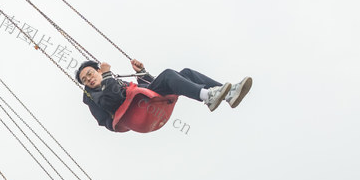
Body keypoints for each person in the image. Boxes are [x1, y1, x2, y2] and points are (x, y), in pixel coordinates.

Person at [76, 59, 252, 131]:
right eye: (85, 80)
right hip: (134, 114)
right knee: (168, 74)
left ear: (98, 70)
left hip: (142, 104)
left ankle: (228, 94)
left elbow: (148, 88)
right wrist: (107, 76)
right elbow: (112, 101)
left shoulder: (113, 82)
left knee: (186, 73)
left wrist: (142, 73)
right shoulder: (95, 95)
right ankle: (208, 96)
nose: (89, 80)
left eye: (90, 74)